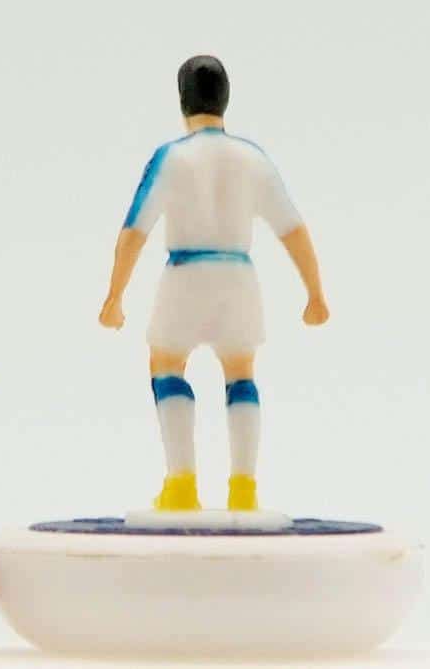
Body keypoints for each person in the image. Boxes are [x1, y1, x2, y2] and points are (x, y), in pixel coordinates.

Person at [99, 55, 329, 512]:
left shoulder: (171, 159)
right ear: (226, 99)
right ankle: (244, 490)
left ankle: (181, 484)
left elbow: (133, 233)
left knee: (167, 365)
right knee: (241, 374)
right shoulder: (253, 159)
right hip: (238, 279)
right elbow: (293, 230)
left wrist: (115, 296)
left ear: (181, 100)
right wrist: (315, 293)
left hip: (184, 277)